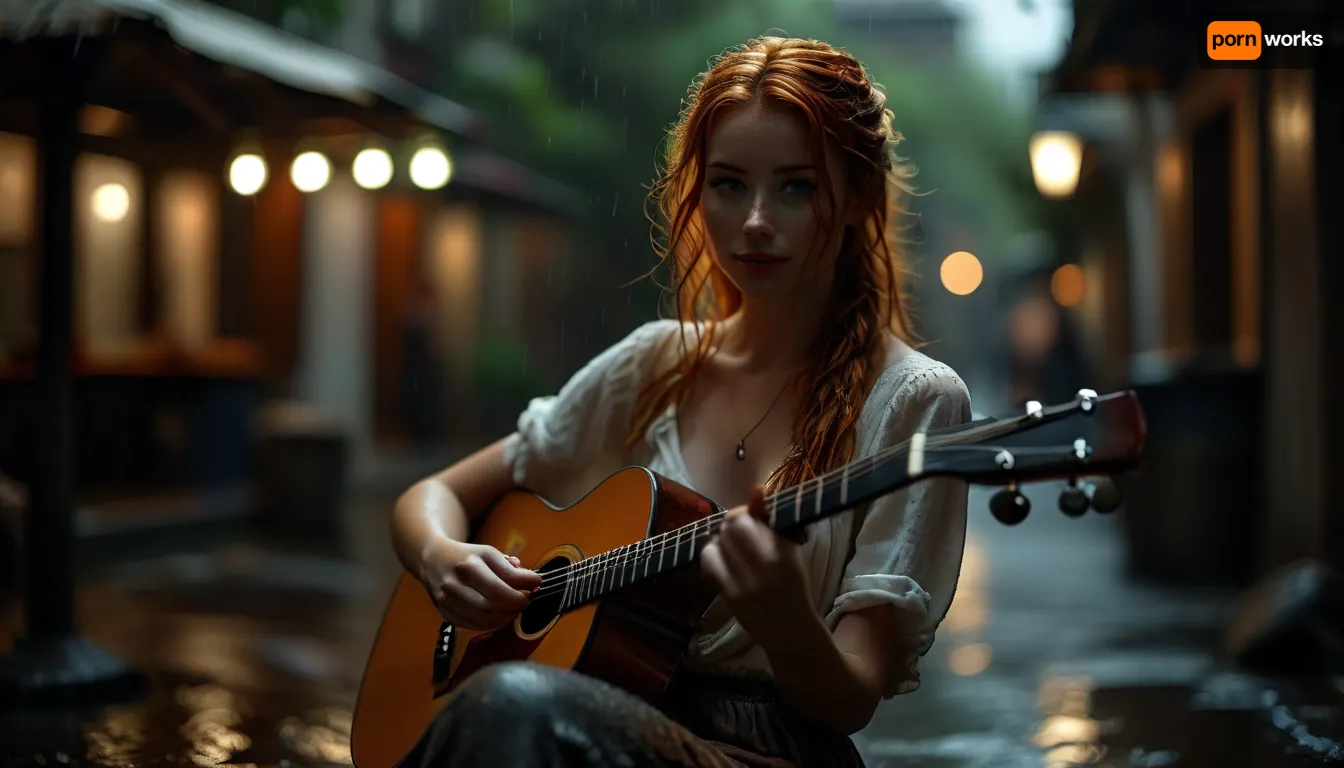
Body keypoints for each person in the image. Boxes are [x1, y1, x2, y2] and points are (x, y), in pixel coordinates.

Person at [389, 35, 972, 768]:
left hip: (768, 753)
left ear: (857, 196)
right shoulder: (654, 363)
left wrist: (787, 620)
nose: (756, 220)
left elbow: (850, 699)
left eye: (795, 187)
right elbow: (432, 496)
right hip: (593, 721)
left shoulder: (915, 402)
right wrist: (442, 558)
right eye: (730, 184)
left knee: (510, 707)